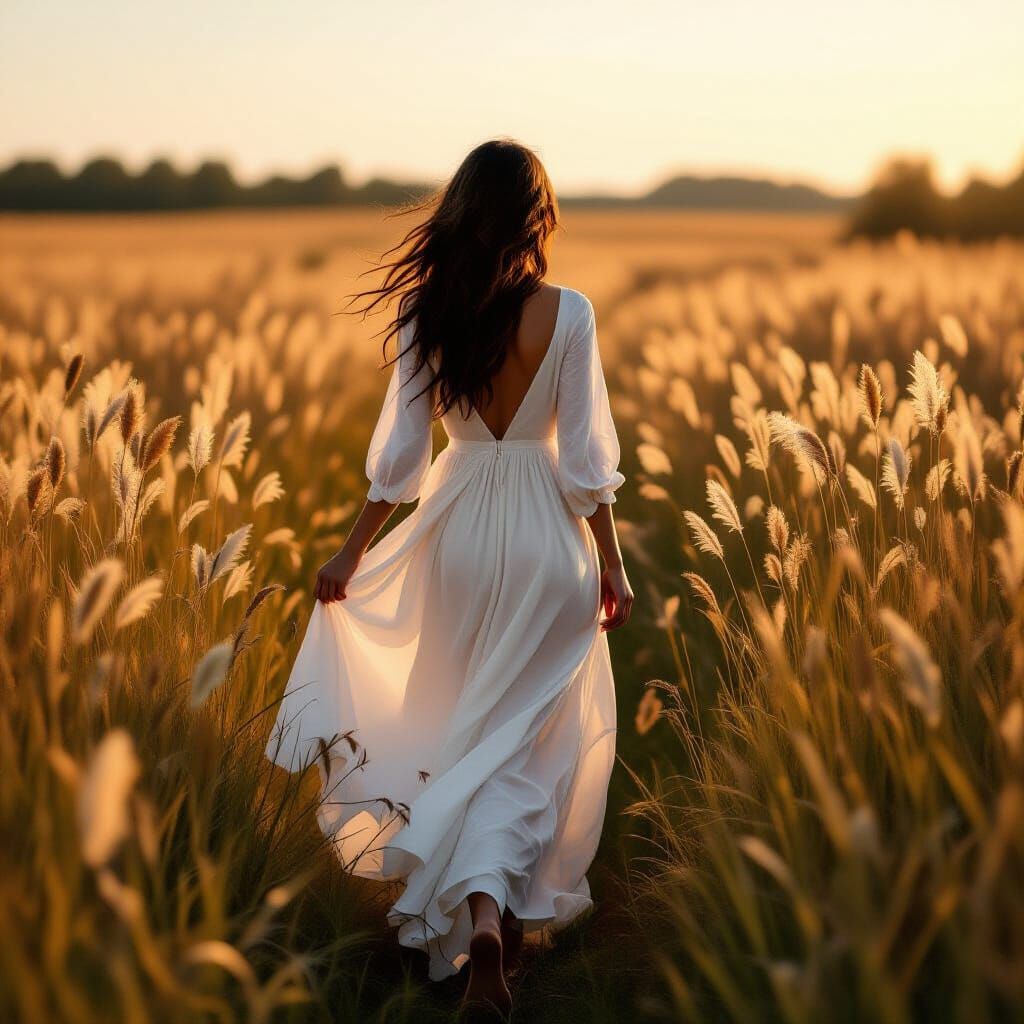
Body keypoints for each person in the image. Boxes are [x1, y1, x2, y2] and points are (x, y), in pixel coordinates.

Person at [266, 139, 632, 1017]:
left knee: (467, 740)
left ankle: (476, 922)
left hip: (457, 531)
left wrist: (352, 553)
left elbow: (400, 458)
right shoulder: (569, 312)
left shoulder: (426, 315)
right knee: (523, 747)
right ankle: (490, 915)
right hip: (549, 542)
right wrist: (611, 560)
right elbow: (583, 462)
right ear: (535, 216)